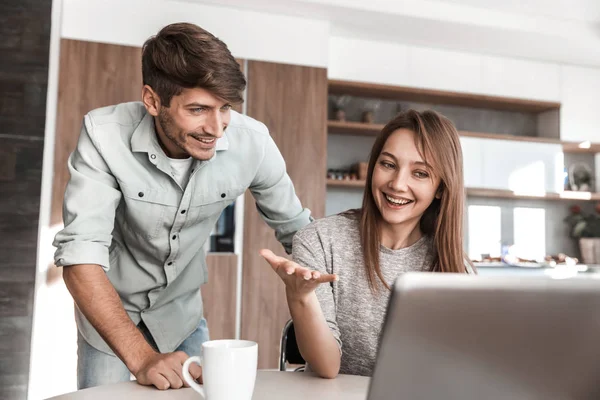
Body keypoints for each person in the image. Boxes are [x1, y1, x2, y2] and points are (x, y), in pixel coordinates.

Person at [53, 22, 312, 390]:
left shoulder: (252, 142)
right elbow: (80, 257)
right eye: (198, 109)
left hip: (182, 315)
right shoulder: (104, 135)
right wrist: (141, 358)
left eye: (225, 108)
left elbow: (300, 231)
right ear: (153, 101)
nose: (217, 128)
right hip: (109, 314)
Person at [261, 110, 475, 378]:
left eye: (420, 173)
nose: (398, 184)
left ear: (441, 188)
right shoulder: (320, 240)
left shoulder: (455, 268)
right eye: (388, 164)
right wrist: (300, 296)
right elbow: (327, 367)